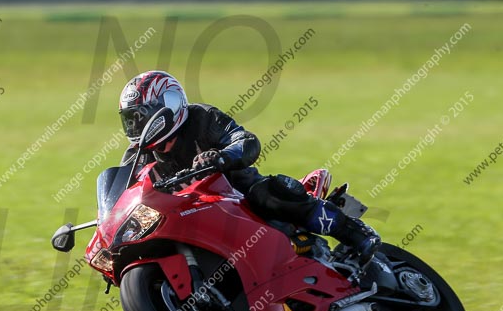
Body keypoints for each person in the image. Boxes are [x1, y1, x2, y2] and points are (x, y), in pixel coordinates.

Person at [117, 71, 380, 265]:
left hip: (237, 195)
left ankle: (355, 233)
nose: (137, 126)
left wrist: (221, 157)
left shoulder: (201, 118)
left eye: (143, 116)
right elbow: (123, 197)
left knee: (266, 193)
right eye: (131, 119)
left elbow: (245, 140)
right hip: (190, 215)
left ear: (169, 106)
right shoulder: (136, 156)